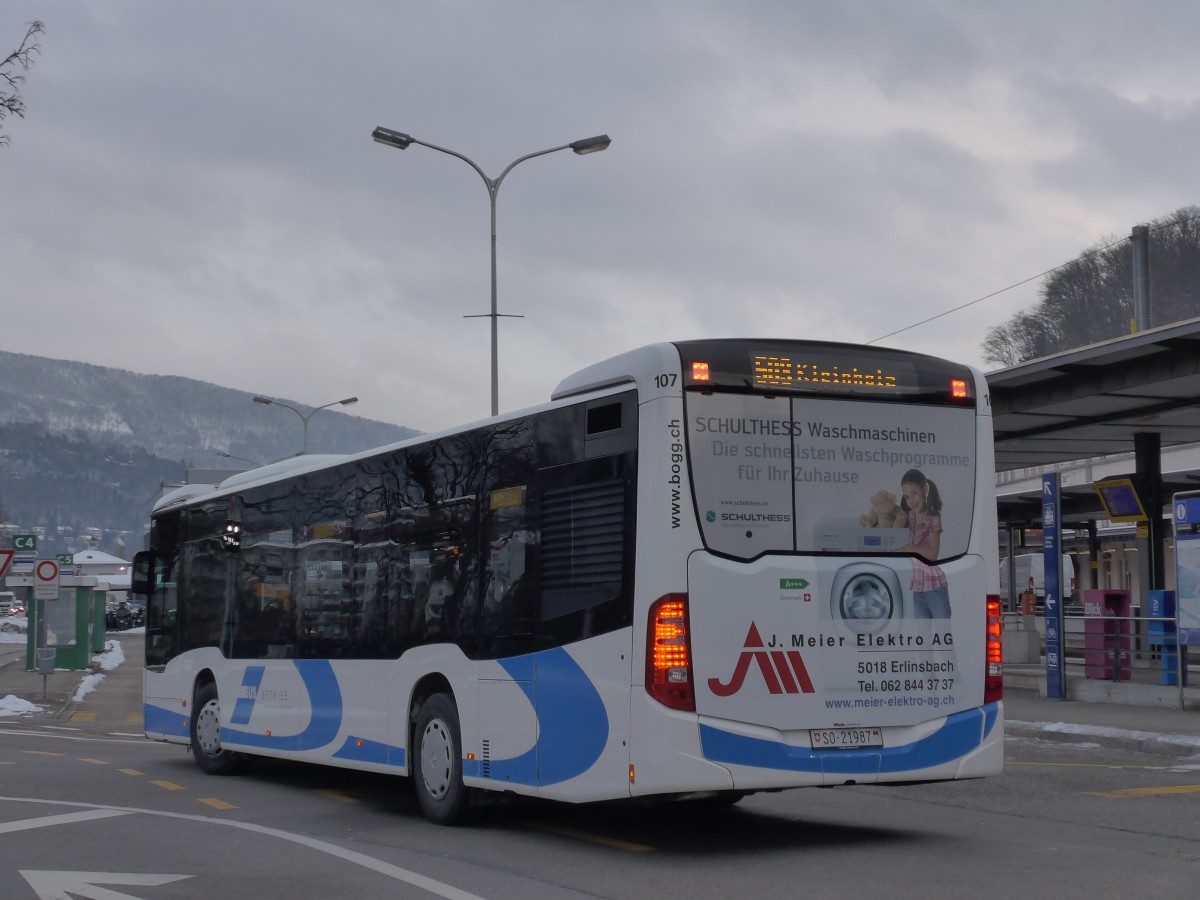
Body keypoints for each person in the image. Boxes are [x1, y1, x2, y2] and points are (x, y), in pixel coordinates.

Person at [897, 468, 950, 620]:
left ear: (925, 489)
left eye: (914, 493)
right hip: (917, 587)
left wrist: (909, 549)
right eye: (907, 496)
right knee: (922, 639)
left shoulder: (933, 517)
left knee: (943, 635)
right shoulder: (908, 517)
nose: (911, 501)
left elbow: (933, 553)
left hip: (934, 587)